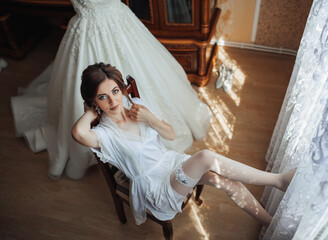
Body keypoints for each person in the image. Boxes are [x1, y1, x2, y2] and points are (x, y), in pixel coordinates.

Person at [72, 63, 296, 226]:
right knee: (206, 156)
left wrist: (150, 118)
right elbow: (78, 132)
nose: (113, 101)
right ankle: (278, 180)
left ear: (121, 89)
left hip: (171, 163)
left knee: (228, 183)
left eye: (115, 91)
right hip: (155, 187)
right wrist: (92, 110)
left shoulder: (136, 106)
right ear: (93, 102)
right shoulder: (103, 135)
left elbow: (169, 136)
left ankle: (273, 226)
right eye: (102, 97)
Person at [10, 0, 212, 180]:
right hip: (88, 29)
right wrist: (90, 111)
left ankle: (137, 136)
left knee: (135, 82)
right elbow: (78, 132)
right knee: (95, 85)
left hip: (119, 20)